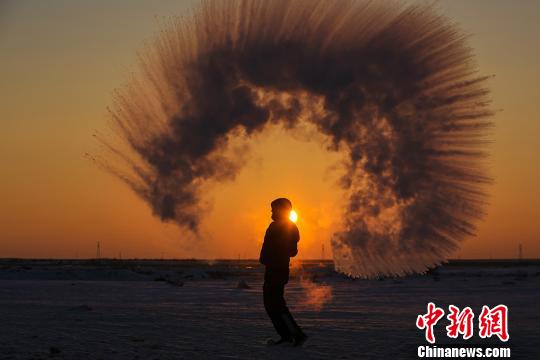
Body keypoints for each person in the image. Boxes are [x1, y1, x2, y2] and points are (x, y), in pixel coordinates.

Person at [259, 198, 307, 346]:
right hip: (274, 269)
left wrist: (275, 253)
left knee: (276, 304)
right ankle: (287, 336)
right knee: (271, 304)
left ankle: (295, 335)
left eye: (274, 209)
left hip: (277, 270)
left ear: (282, 210)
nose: (272, 211)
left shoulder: (286, 227)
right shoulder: (277, 226)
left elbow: (292, 251)